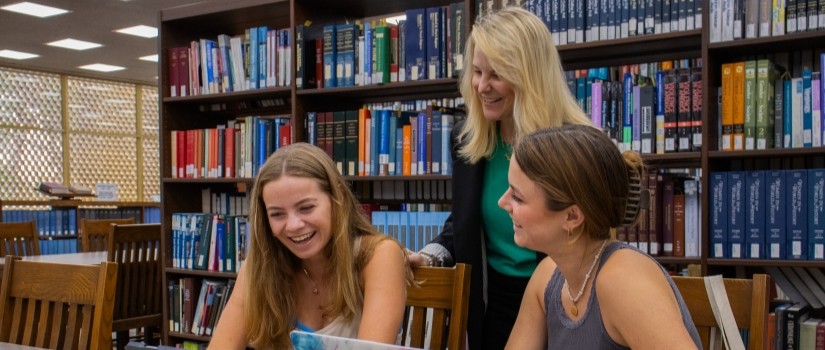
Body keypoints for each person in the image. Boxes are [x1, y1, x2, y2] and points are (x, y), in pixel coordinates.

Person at [408, 7, 593, 350]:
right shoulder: (469, 139)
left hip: (564, 299)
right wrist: (431, 256)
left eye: (497, 74)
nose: (481, 86)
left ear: (529, 75)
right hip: (491, 301)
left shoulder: (576, 145)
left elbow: (592, 235)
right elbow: (463, 222)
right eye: (477, 72)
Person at [499, 125, 701, 349]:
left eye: (517, 197)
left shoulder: (623, 280)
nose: (502, 202)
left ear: (572, 216)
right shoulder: (547, 276)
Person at [209, 143, 412, 349]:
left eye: (306, 208)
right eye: (277, 214)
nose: (294, 225)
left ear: (338, 197)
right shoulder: (258, 268)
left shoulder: (379, 256)